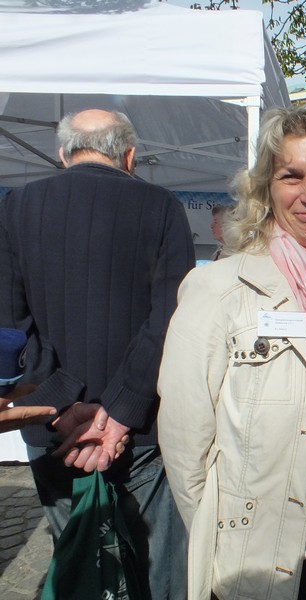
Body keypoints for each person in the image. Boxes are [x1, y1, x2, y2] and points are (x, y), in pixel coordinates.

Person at [157, 103, 306, 600]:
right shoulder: (219, 288)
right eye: (291, 176)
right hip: (261, 557)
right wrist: (221, 537)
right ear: (266, 188)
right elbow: (183, 439)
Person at [0, 109, 195, 597]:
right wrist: (119, 409)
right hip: (142, 431)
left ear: (63, 154)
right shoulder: (162, 206)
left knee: (79, 564)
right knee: (157, 575)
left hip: (51, 430)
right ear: (129, 155)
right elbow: (172, 319)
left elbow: (10, 327)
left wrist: (65, 406)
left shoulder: (16, 207)